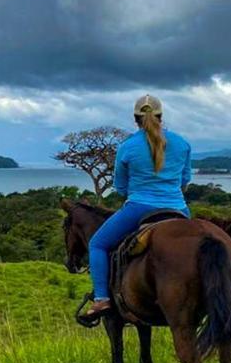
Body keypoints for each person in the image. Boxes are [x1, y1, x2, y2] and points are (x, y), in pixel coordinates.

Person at [80, 94, 192, 324]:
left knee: (97, 244)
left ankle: (101, 299)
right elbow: (184, 181)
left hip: (139, 208)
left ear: (135, 119)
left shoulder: (127, 147)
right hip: (179, 210)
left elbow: (120, 187)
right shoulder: (182, 144)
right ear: (160, 117)